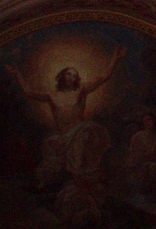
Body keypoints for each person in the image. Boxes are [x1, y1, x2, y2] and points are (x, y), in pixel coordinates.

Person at [8, 48, 125, 224]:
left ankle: (87, 194)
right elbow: (28, 92)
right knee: (52, 161)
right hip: (64, 136)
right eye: (69, 74)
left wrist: (115, 59)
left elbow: (103, 77)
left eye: (74, 75)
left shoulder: (81, 91)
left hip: (80, 131)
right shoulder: (51, 95)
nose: (71, 78)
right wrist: (17, 74)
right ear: (62, 76)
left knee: (84, 140)